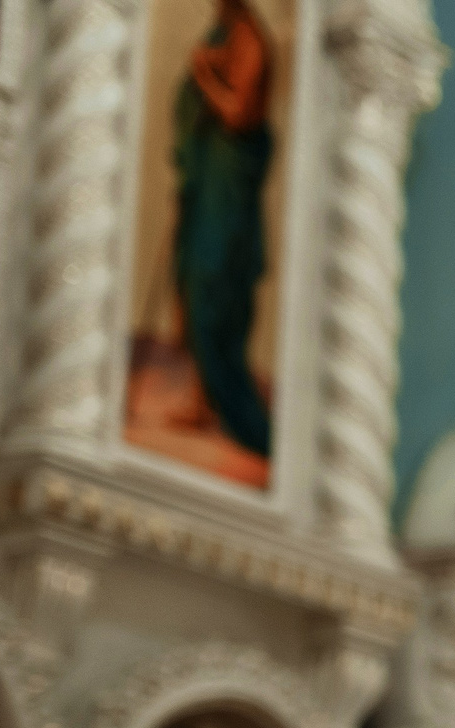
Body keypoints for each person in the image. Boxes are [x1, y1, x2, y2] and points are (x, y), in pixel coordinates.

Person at [169, 0, 275, 458]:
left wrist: (204, 75)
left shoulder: (253, 43)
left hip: (229, 182)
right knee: (193, 281)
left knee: (216, 286)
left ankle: (236, 412)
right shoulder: (225, 35)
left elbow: (237, 115)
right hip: (209, 177)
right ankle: (198, 401)